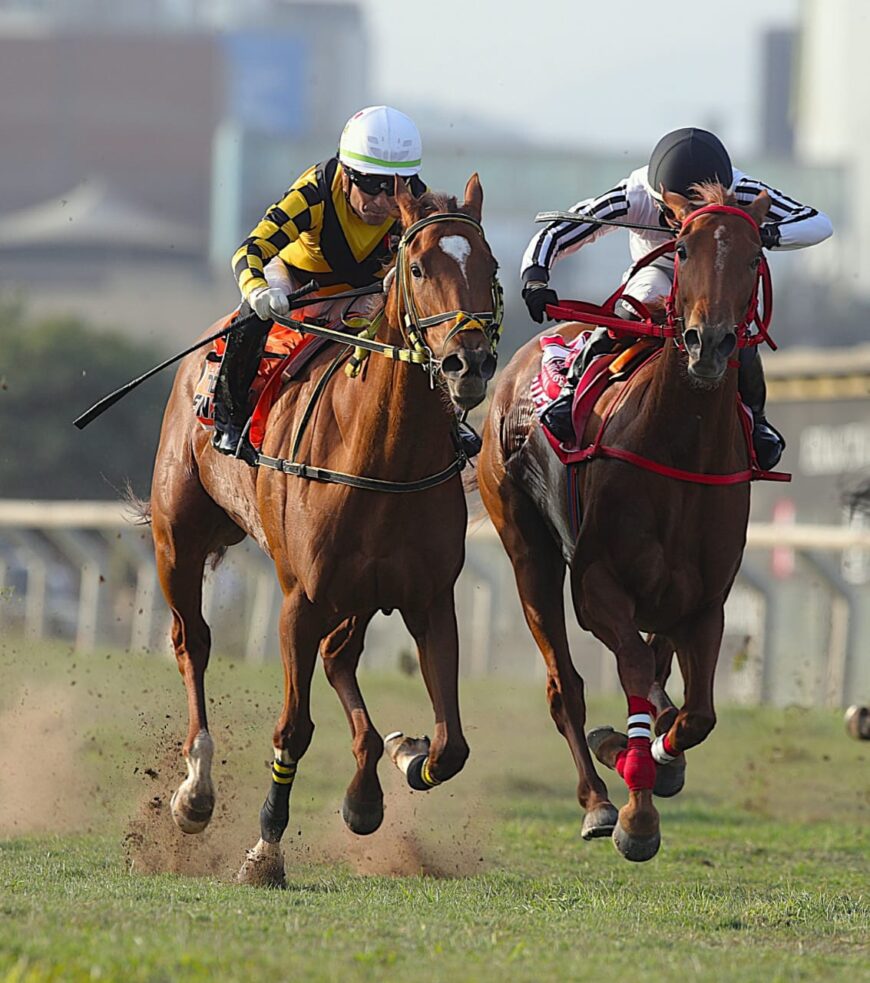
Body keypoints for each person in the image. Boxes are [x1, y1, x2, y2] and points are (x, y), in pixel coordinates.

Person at [521, 127, 833, 468]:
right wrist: (535, 275)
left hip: (715, 279)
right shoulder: (632, 195)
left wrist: (765, 233)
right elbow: (561, 230)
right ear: (660, 198)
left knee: (739, 319)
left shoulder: (742, 189)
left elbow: (817, 222)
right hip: (660, 273)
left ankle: (757, 419)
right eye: (677, 212)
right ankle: (571, 392)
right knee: (643, 295)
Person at [214, 105, 426, 464]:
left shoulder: (418, 204)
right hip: (295, 285)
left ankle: (444, 421)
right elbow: (251, 249)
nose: (381, 202)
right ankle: (229, 418)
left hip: (366, 296)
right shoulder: (314, 191)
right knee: (252, 315)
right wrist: (258, 291)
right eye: (370, 185)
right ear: (345, 173)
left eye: (393, 189)